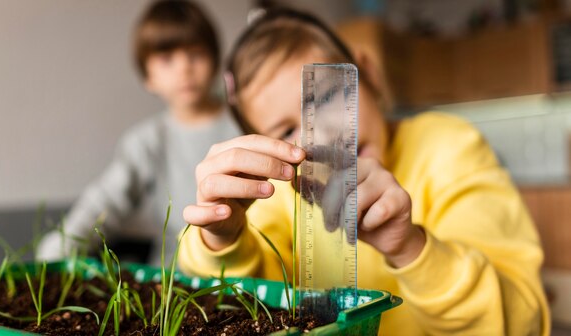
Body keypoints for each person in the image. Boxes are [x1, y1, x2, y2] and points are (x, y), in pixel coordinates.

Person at [177, 8, 550, 335]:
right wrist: (223, 240)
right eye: (288, 131)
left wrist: (410, 247)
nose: (323, 136)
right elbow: (240, 309)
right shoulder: (280, 193)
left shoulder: (450, 146)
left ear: (368, 74)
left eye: (326, 98)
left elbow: (522, 325)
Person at [37, 0, 240, 265]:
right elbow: (105, 200)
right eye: (167, 59)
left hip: (243, 268)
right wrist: (62, 248)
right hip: (173, 278)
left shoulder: (244, 124)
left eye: (195, 54)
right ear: (148, 76)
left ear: (215, 61)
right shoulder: (146, 141)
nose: (184, 69)